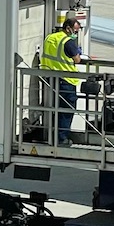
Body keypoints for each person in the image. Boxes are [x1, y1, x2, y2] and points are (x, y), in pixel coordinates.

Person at [40, 15, 85, 145]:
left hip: (49, 78)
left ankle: (51, 136)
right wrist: (78, 52)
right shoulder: (67, 42)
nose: (76, 34)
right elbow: (77, 59)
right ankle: (61, 139)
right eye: (75, 31)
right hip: (66, 80)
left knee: (53, 109)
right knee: (66, 111)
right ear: (68, 28)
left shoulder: (50, 37)